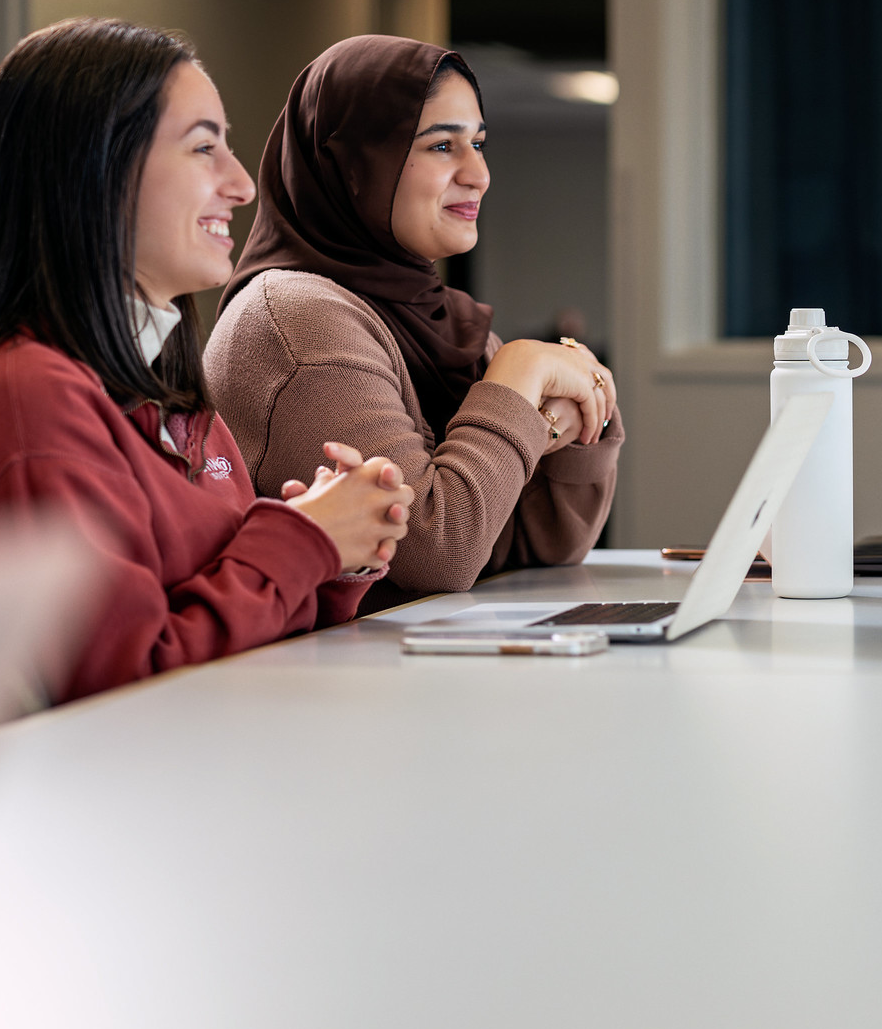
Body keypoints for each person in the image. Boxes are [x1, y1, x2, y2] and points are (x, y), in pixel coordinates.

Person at [0, 18, 414, 703]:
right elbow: (128, 678)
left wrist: (332, 557)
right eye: (203, 147)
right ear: (93, 170)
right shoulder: (23, 393)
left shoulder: (169, 394)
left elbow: (234, 635)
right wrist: (303, 540)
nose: (241, 185)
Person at [205, 36, 620, 612]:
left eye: (478, 142)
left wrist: (554, 424)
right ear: (351, 166)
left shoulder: (449, 320)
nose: (479, 174)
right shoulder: (297, 319)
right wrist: (521, 381)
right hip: (324, 689)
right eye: (442, 145)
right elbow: (437, 552)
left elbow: (544, 545)